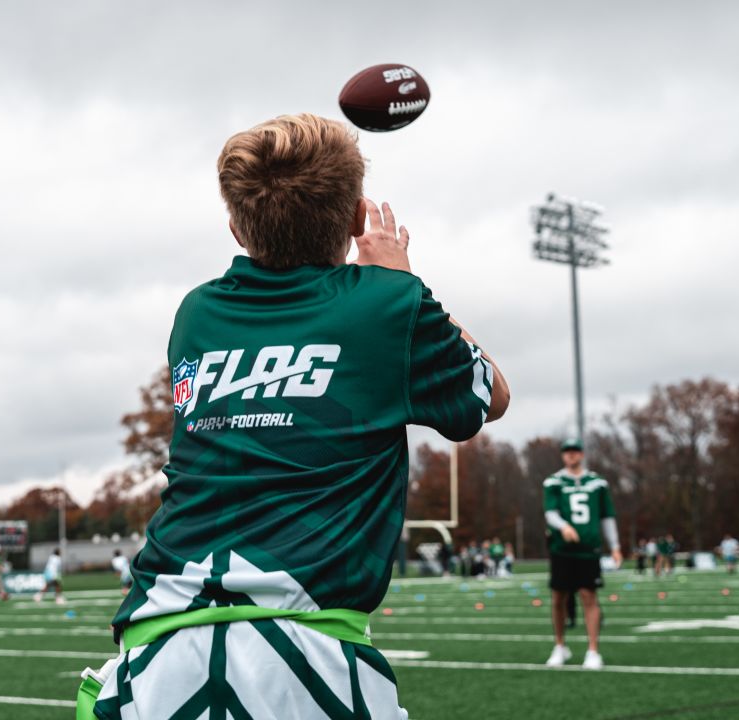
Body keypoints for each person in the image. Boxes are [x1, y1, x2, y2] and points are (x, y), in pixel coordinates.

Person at [83, 113, 510, 719]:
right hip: (305, 642)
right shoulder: (388, 304)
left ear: (236, 225)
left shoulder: (196, 314)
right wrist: (404, 280)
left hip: (155, 640)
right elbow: (489, 395)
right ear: (357, 216)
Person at [543, 438, 622, 670]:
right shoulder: (553, 482)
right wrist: (563, 527)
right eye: (567, 451)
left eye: (575, 451)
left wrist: (615, 546)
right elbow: (550, 512)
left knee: (589, 596)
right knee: (559, 597)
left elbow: (607, 516)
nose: (571, 455)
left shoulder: (597, 483)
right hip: (562, 548)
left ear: (582, 454)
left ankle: (593, 650)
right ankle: (560, 645)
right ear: (562, 455)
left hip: (588, 548)